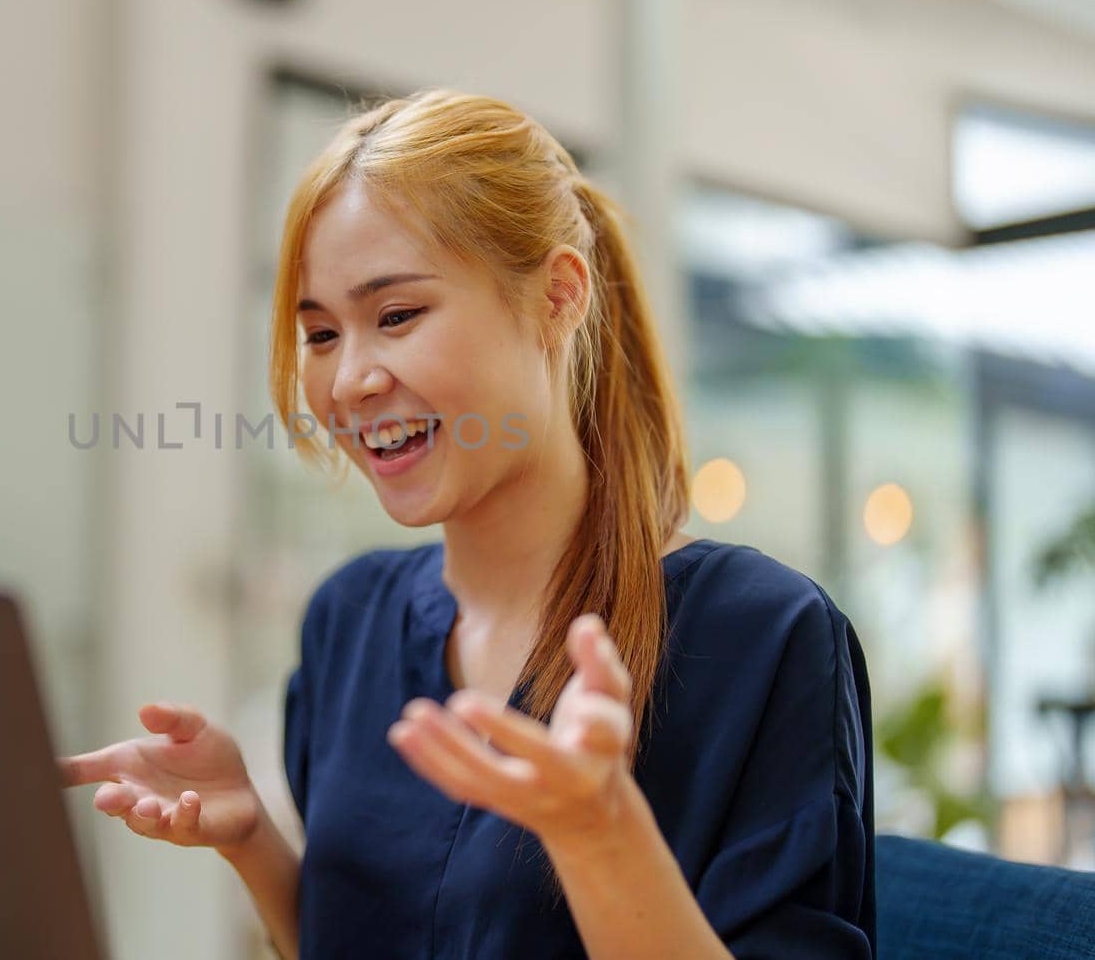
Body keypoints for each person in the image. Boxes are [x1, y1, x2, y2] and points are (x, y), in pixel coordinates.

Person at [60, 89, 876, 958]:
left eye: (397, 315)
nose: (349, 382)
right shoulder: (350, 619)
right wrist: (252, 839)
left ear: (559, 297)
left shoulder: (762, 635)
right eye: (322, 333)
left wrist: (599, 837)